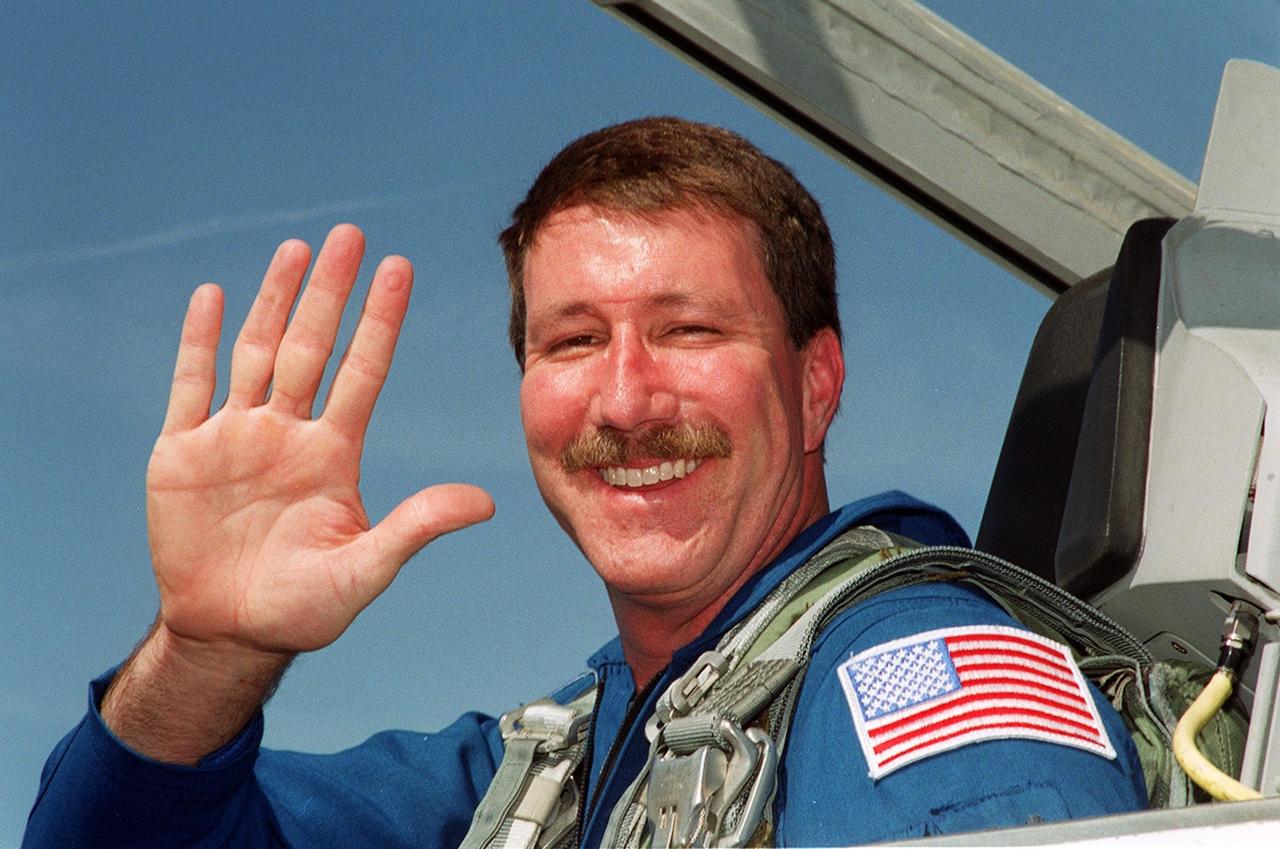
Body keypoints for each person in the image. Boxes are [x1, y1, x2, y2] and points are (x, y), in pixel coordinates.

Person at [24, 117, 1147, 848]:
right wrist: (210, 652)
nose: (624, 400)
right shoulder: (547, 770)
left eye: (688, 330)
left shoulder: (917, 676)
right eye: (571, 342)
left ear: (815, 386)